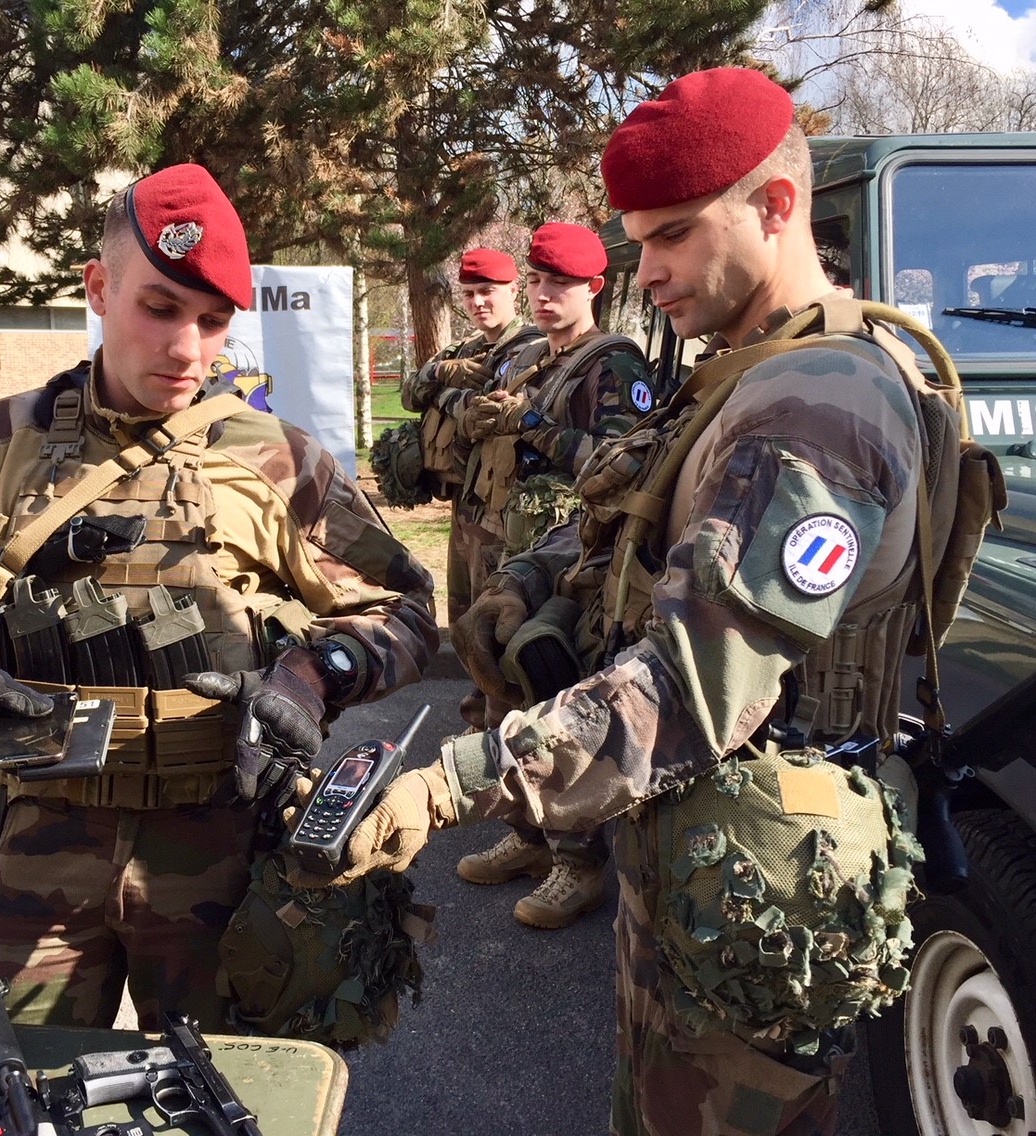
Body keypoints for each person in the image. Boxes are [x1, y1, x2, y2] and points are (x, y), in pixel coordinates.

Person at [306, 68, 962, 1134]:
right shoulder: (742, 370)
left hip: (754, 867)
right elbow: (632, 501)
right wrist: (526, 579)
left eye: (672, 235)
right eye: (635, 240)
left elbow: (697, 685)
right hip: (696, 844)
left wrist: (454, 779)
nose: (643, 271)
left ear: (775, 205)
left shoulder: (818, 402)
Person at [0, 164, 438, 1033]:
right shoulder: (0, 442)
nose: (188, 350)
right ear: (99, 287)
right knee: (21, 1093)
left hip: (223, 848)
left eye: (213, 321)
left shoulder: (276, 457)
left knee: (221, 1096)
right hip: (41, 848)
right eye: (159, 308)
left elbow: (406, 603)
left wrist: (320, 673)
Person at [452, 222, 654, 932]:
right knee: (497, 683)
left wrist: (534, 423)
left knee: (554, 687)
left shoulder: (614, 364)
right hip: (515, 544)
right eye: (536, 282)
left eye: (558, 284)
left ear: (594, 288)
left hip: (575, 554)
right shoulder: (534, 356)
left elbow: (621, 460)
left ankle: (578, 858)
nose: (541, 295)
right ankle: (531, 833)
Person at [400, 248, 539, 626]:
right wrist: (443, 370)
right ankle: (475, 685)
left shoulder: (530, 348)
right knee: (461, 613)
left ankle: (492, 687)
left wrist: (444, 394)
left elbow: (486, 413)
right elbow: (410, 394)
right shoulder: (464, 350)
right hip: (464, 504)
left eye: (487, 291)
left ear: (514, 291)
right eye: (468, 293)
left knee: (492, 612)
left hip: (499, 508)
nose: (477, 302)